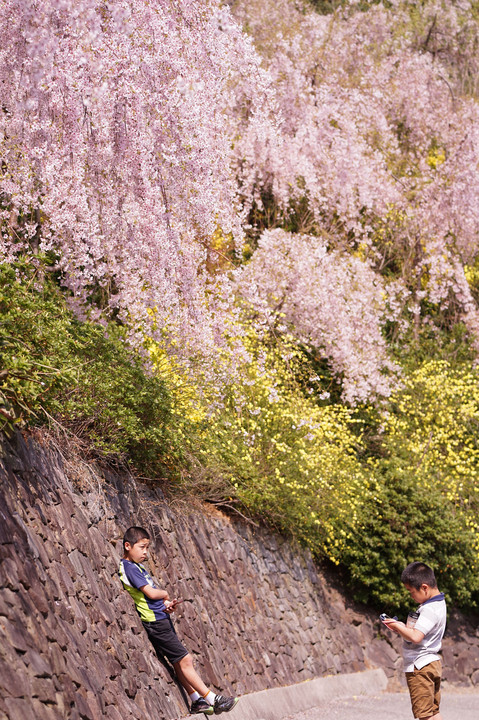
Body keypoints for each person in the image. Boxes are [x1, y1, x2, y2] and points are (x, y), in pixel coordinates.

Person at [119, 526, 239, 715]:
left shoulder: (137, 567)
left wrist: (166, 604)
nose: (145, 552)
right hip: (155, 622)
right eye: (142, 547)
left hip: (160, 617)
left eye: (147, 548)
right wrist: (165, 593)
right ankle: (212, 699)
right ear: (128, 546)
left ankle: (196, 700)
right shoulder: (129, 568)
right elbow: (150, 593)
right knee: (186, 659)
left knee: (178, 661)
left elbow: (150, 597)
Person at [381, 561, 447, 720]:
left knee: (424, 715)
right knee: (433, 712)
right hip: (432, 663)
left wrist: (397, 626)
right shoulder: (439, 604)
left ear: (424, 587)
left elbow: (416, 637)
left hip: (420, 666)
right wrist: (404, 627)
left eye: (411, 591)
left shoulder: (428, 610)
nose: (411, 595)